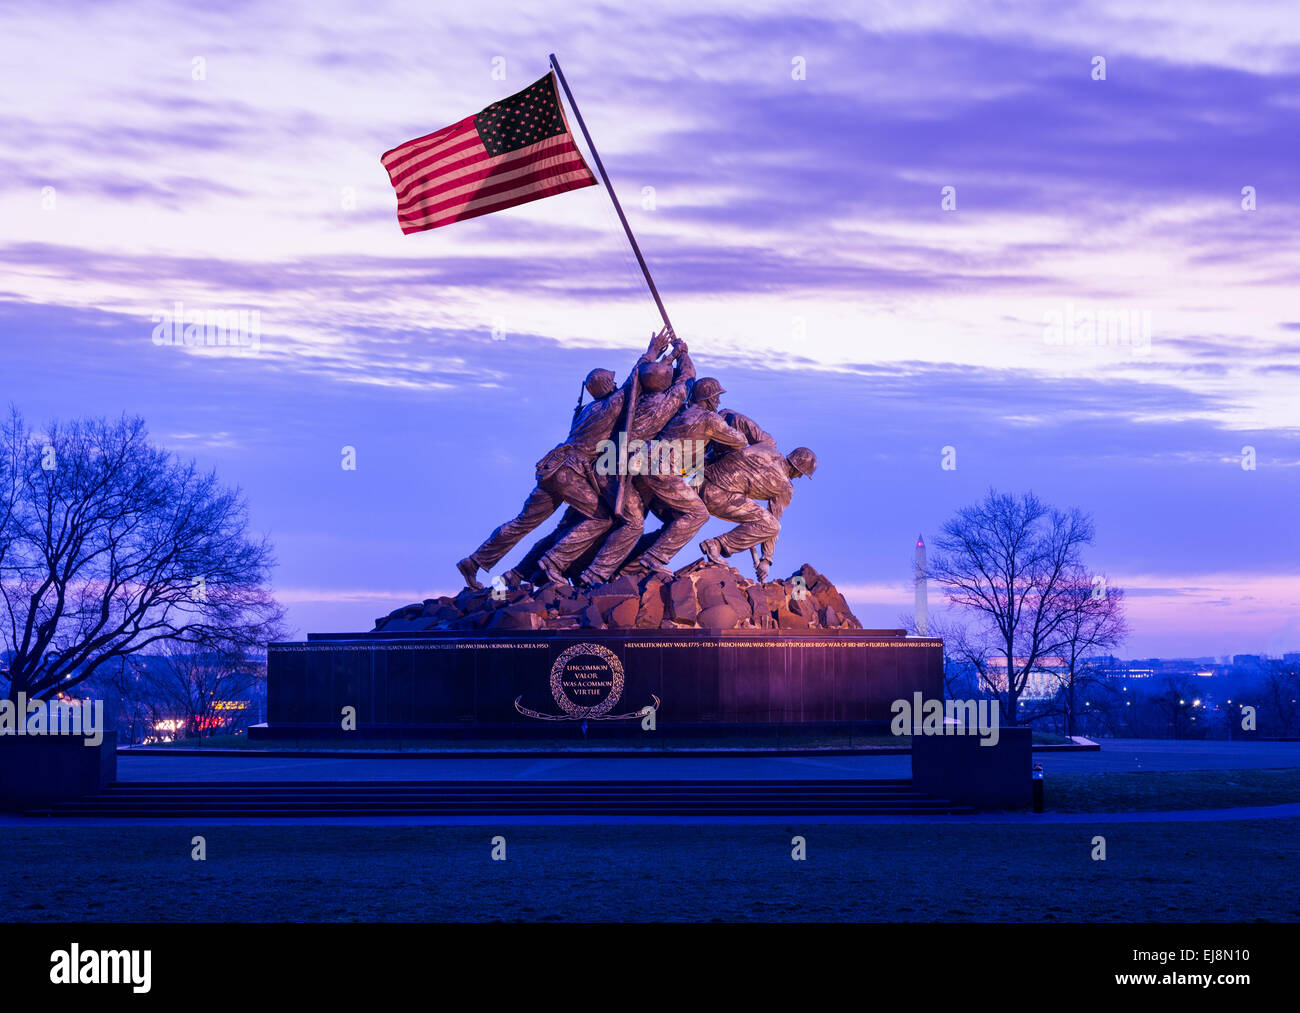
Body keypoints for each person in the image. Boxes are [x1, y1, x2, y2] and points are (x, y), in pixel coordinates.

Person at [455, 327, 672, 589]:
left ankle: (475, 561)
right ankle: (551, 563)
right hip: (570, 472)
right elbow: (634, 381)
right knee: (602, 517)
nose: (615, 384)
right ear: (608, 386)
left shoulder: (585, 410)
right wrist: (653, 352)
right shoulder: (609, 407)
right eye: (612, 383)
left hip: (551, 468)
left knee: (523, 522)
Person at [618, 376, 747, 576]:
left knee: (676, 518)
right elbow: (739, 441)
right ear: (709, 399)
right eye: (717, 398)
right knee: (698, 514)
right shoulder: (709, 419)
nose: (719, 402)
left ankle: (626, 568)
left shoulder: (683, 413)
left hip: (643, 463)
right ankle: (653, 558)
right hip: (661, 469)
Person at [697, 445, 817, 581]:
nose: (800, 477)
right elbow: (773, 520)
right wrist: (766, 560)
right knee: (771, 526)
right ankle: (716, 545)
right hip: (716, 495)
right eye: (802, 473)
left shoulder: (767, 449)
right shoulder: (785, 487)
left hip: (699, 481)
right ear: (797, 469)